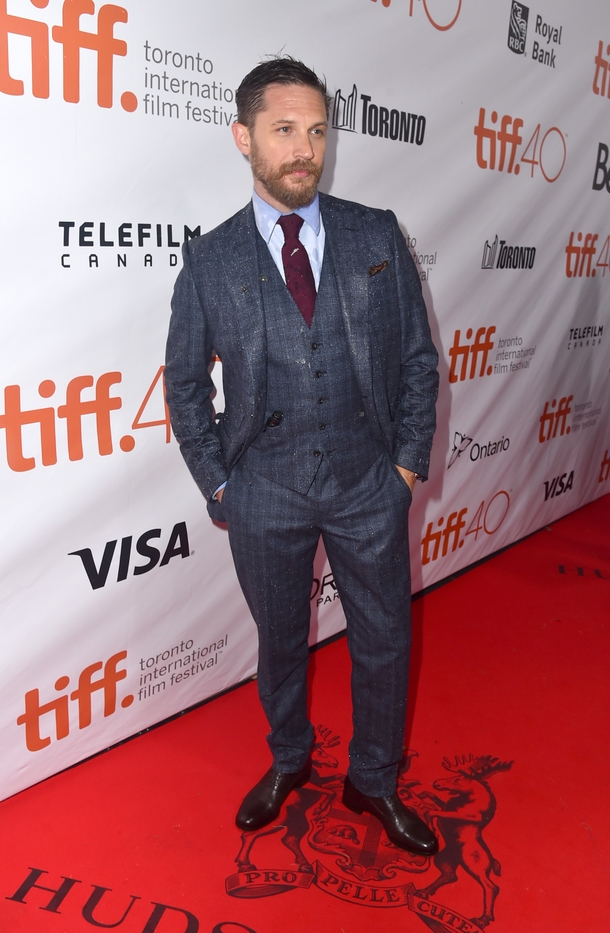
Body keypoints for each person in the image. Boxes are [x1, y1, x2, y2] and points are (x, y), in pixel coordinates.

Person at [164, 57, 440, 855]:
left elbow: (420, 362)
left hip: (367, 479)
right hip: (265, 487)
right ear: (243, 138)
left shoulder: (374, 232)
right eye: (285, 130)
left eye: (317, 130)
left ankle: (375, 779)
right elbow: (185, 385)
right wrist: (221, 482)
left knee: (385, 636)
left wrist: (404, 470)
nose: (305, 150)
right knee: (281, 639)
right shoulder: (210, 260)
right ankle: (289, 760)